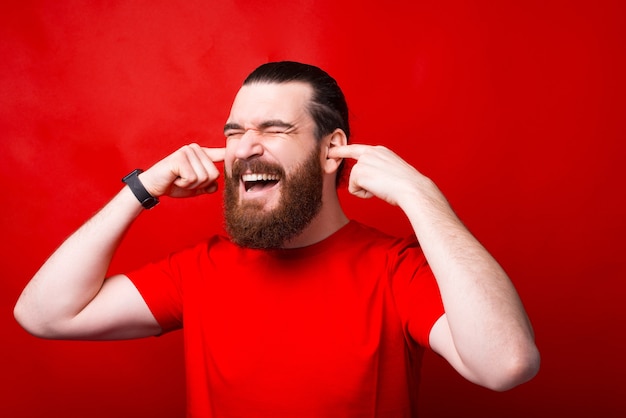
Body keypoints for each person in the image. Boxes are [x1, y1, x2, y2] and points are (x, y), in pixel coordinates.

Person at [14, 61, 540, 417]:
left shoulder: (396, 269)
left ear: (332, 148)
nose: (245, 148)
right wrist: (142, 188)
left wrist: (422, 197)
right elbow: (45, 314)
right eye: (234, 132)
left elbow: (505, 364)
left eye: (273, 129)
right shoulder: (199, 271)